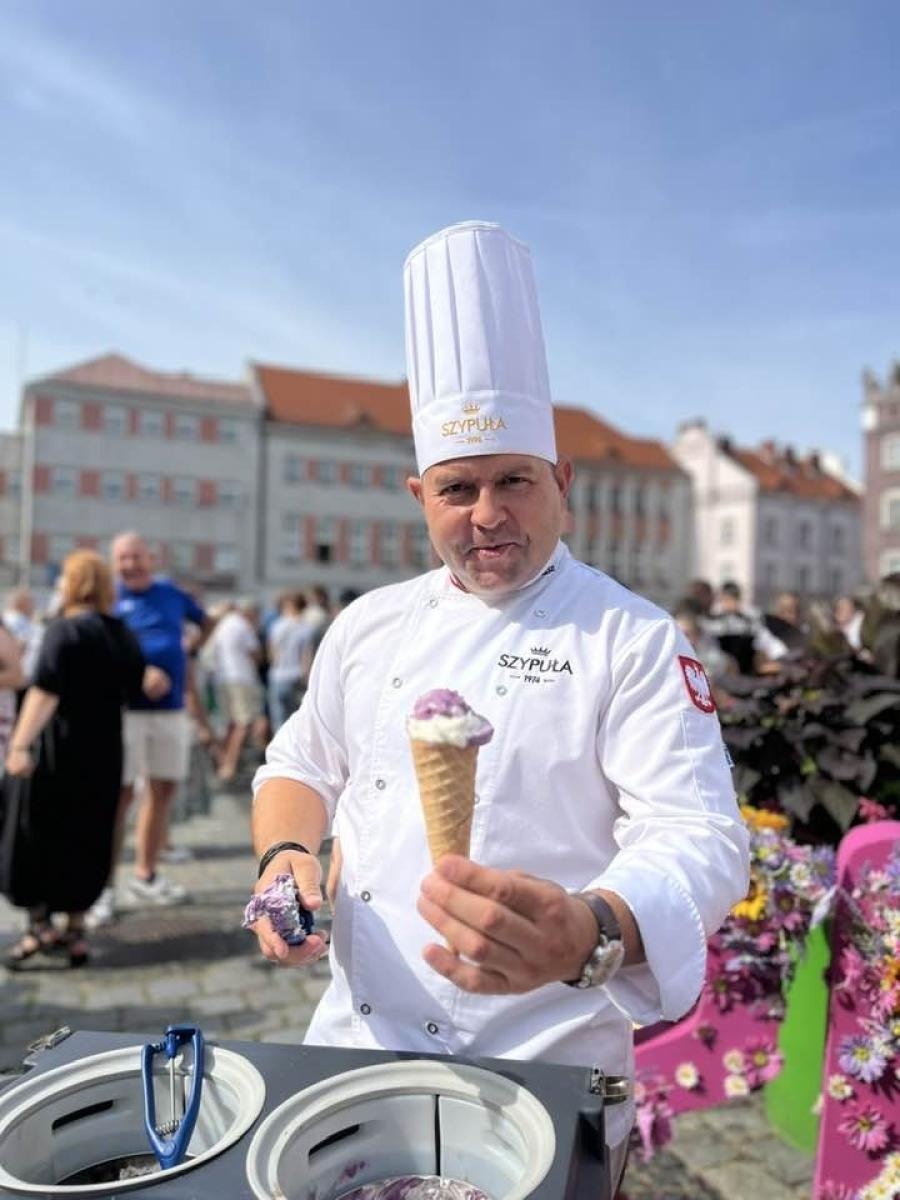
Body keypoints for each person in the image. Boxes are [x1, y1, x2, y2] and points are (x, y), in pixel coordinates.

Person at [246, 222, 750, 1191]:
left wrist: (590, 931)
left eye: (514, 480)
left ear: (562, 483)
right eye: (458, 488)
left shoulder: (633, 637)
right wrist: (285, 860)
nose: (487, 514)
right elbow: (298, 765)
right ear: (419, 495)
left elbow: (700, 837)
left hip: (542, 1070)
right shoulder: (367, 626)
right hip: (355, 1054)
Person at [1, 551, 144, 967]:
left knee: (34, 831)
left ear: (74, 583)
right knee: (88, 832)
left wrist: (19, 745)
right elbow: (133, 687)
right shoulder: (122, 633)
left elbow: (45, 692)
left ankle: (39, 927)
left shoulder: (64, 630)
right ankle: (76, 930)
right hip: (103, 750)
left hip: (56, 749)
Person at [89, 531, 210, 925]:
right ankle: (102, 887)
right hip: (124, 713)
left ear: (151, 558)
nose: (131, 564)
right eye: (123, 558)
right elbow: (96, 651)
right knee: (118, 798)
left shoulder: (171, 593)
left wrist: (190, 650)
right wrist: (136, 673)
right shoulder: (107, 597)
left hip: (170, 710)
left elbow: (205, 622)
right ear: (113, 563)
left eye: (136, 556)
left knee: (162, 791)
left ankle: (146, 874)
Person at [210, 596, 264, 782]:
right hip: (241, 678)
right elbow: (256, 654)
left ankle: (222, 760)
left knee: (231, 724)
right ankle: (229, 766)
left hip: (222, 678)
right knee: (243, 723)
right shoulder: (243, 626)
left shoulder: (223, 624)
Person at [267, 591, 313, 733]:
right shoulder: (306, 627)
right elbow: (306, 656)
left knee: (278, 720)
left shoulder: (277, 625)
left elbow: (272, 654)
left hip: (278, 675)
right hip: (296, 675)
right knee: (296, 722)